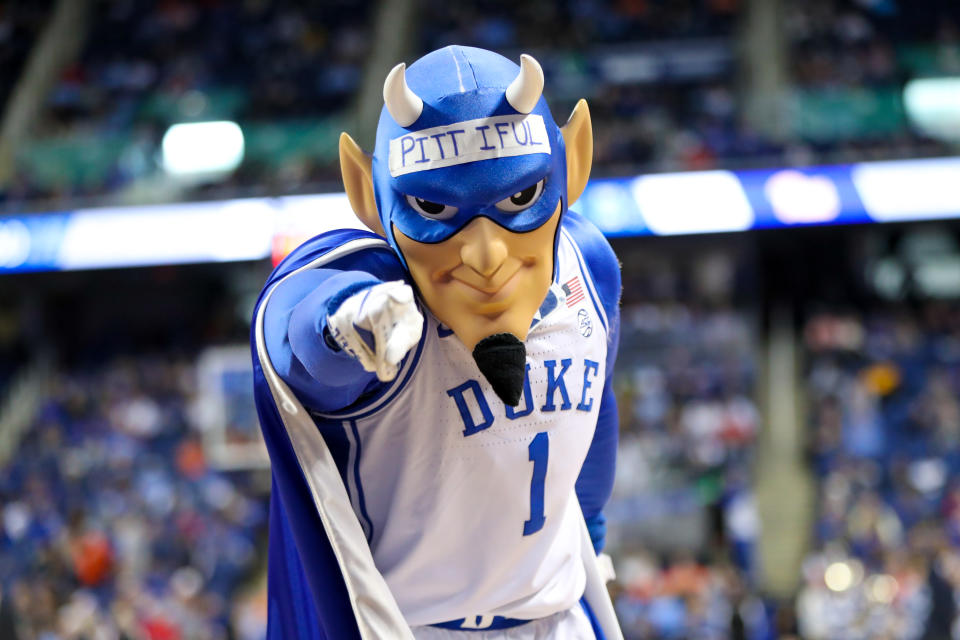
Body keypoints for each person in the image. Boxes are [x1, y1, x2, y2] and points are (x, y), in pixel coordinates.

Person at [251, 46, 622, 639]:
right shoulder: (379, 295)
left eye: (519, 200)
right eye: (433, 208)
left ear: (573, 162)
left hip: (559, 616)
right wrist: (343, 328)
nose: (485, 255)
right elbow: (297, 328)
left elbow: (596, 415)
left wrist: (595, 535)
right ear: (367, 197)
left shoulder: (589, 267)